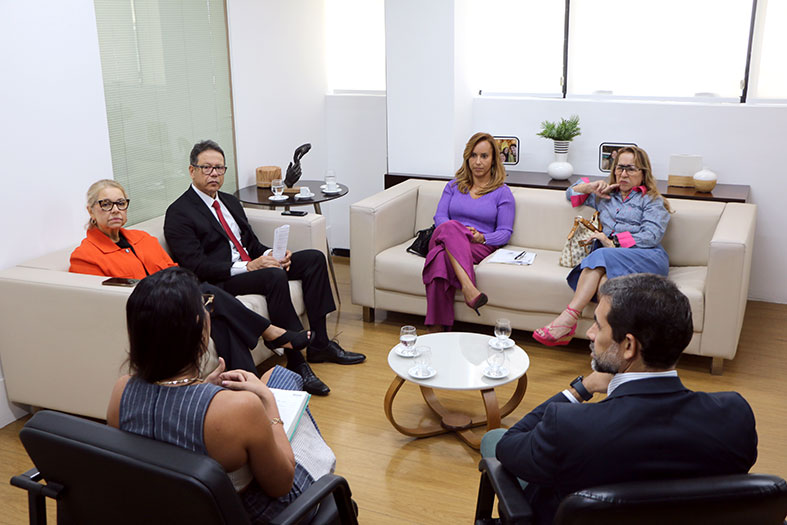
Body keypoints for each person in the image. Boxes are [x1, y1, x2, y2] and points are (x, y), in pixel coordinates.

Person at [485, 274, 757, 525]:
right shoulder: (735, 415)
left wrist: (583, 387)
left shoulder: (569, 425)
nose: (590, 333)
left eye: (598, 325)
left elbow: (509, 445)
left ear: (628, 346)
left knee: (493, 438)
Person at [107, 267, 336, 523]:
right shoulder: (241, 409)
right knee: (284, 386)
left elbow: (168, 424)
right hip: (253, 513)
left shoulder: (122, 391)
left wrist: (202, 385)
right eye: (204, 305)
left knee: (278, 377)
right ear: (200, 327)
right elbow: (282, 485)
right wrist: (268, 405)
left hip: (173, 509)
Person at [164, 140, 365, 396]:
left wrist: (273, 254)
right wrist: (249, 267)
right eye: (207, 168)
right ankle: (296, 361)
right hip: (222, 279)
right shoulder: (179, 212)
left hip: (249, 267)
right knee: (272, 275)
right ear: (192, 171)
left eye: (219, 168)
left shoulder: (229, 201)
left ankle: (321, 344)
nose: (214, 174)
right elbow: (196, 265)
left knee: (313, 258)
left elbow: (251, 244)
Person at [70, 179, 311, 374]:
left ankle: (247, 384)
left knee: (220, 319)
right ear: (91, 209)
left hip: (178, 302)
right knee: (209, 293)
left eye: (120, 203)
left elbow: (174, 269)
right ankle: (270, 332)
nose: (115, 210)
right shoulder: (85, 256)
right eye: (106, 204)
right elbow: (100, 301)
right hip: (147, 313)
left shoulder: (143, 239)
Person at [533, 145, 671, 346]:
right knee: (605, 278)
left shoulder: (651, 200)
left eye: (631, 169)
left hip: (646, 256)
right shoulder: (606, 196)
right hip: (610, 257)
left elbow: (651, 236)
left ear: (643, 173)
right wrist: (589, 187)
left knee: (603, 253)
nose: (623, 174)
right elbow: (570, 193)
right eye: (619, 168)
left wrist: (614, 242)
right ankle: (603, 330)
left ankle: (568, 319)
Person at [422, 132, 515, 331]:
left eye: (484, 156)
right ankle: (469, 288)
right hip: (444, 236)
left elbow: (505, 232)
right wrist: (459, 230)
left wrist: (483, 237)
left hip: (476, 246)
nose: (478, 162)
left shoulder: (502, 192)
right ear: (467, 158)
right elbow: (439, 218)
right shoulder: (453, 186)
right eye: (473, 155)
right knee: (450, 227)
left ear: (494, 160)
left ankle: (437, 329)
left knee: (440, 259)